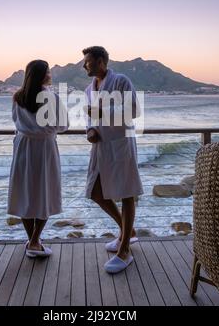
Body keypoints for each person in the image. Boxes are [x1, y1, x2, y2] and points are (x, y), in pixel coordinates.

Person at [83, 46, 143, 273]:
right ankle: (127, 231)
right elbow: (89, 116)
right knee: (96, 192)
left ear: (100, 61)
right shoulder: (89, 89)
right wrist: (89, 130)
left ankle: (125, 249)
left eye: (87, 61)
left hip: (121, 144)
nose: (84, 65)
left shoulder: (121, 81)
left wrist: (102, 112)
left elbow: (134, 109)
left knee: (127, 193)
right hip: (100, 147)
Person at [8, 60, 68, 257]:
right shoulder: (53, 98)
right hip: (44, 148)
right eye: (48, 71)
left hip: (23, 146)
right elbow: (64, 125)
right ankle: (35, 241)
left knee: (26, 192)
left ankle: (32, 240)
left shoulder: (17, 97)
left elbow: (15, 120)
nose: (51, 74)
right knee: (45, 192)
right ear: (43, 75)